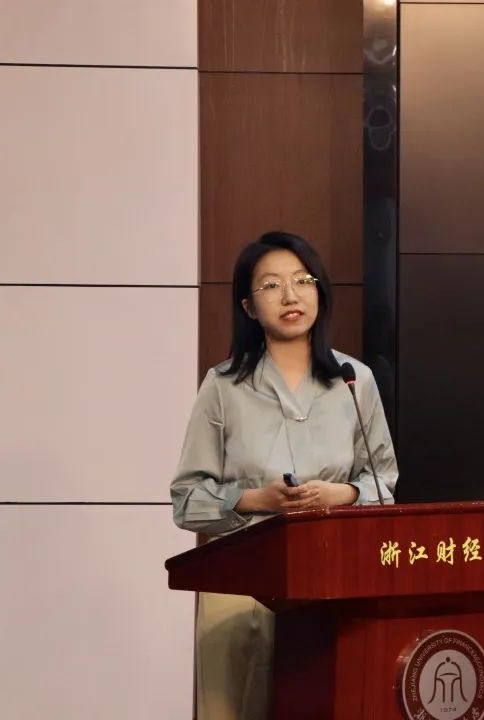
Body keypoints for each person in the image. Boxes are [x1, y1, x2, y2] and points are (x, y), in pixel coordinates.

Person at [171, 231, 398, 719]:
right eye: (271, 286)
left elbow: (383, 486)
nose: (290, 295)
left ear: (320, 292)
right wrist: (259, 501)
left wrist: (342, 494)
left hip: (334, 581)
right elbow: (187, 500)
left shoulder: (354, 380)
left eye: (302, 280)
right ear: (249, 307)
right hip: (241, 586)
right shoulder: (223, 386)